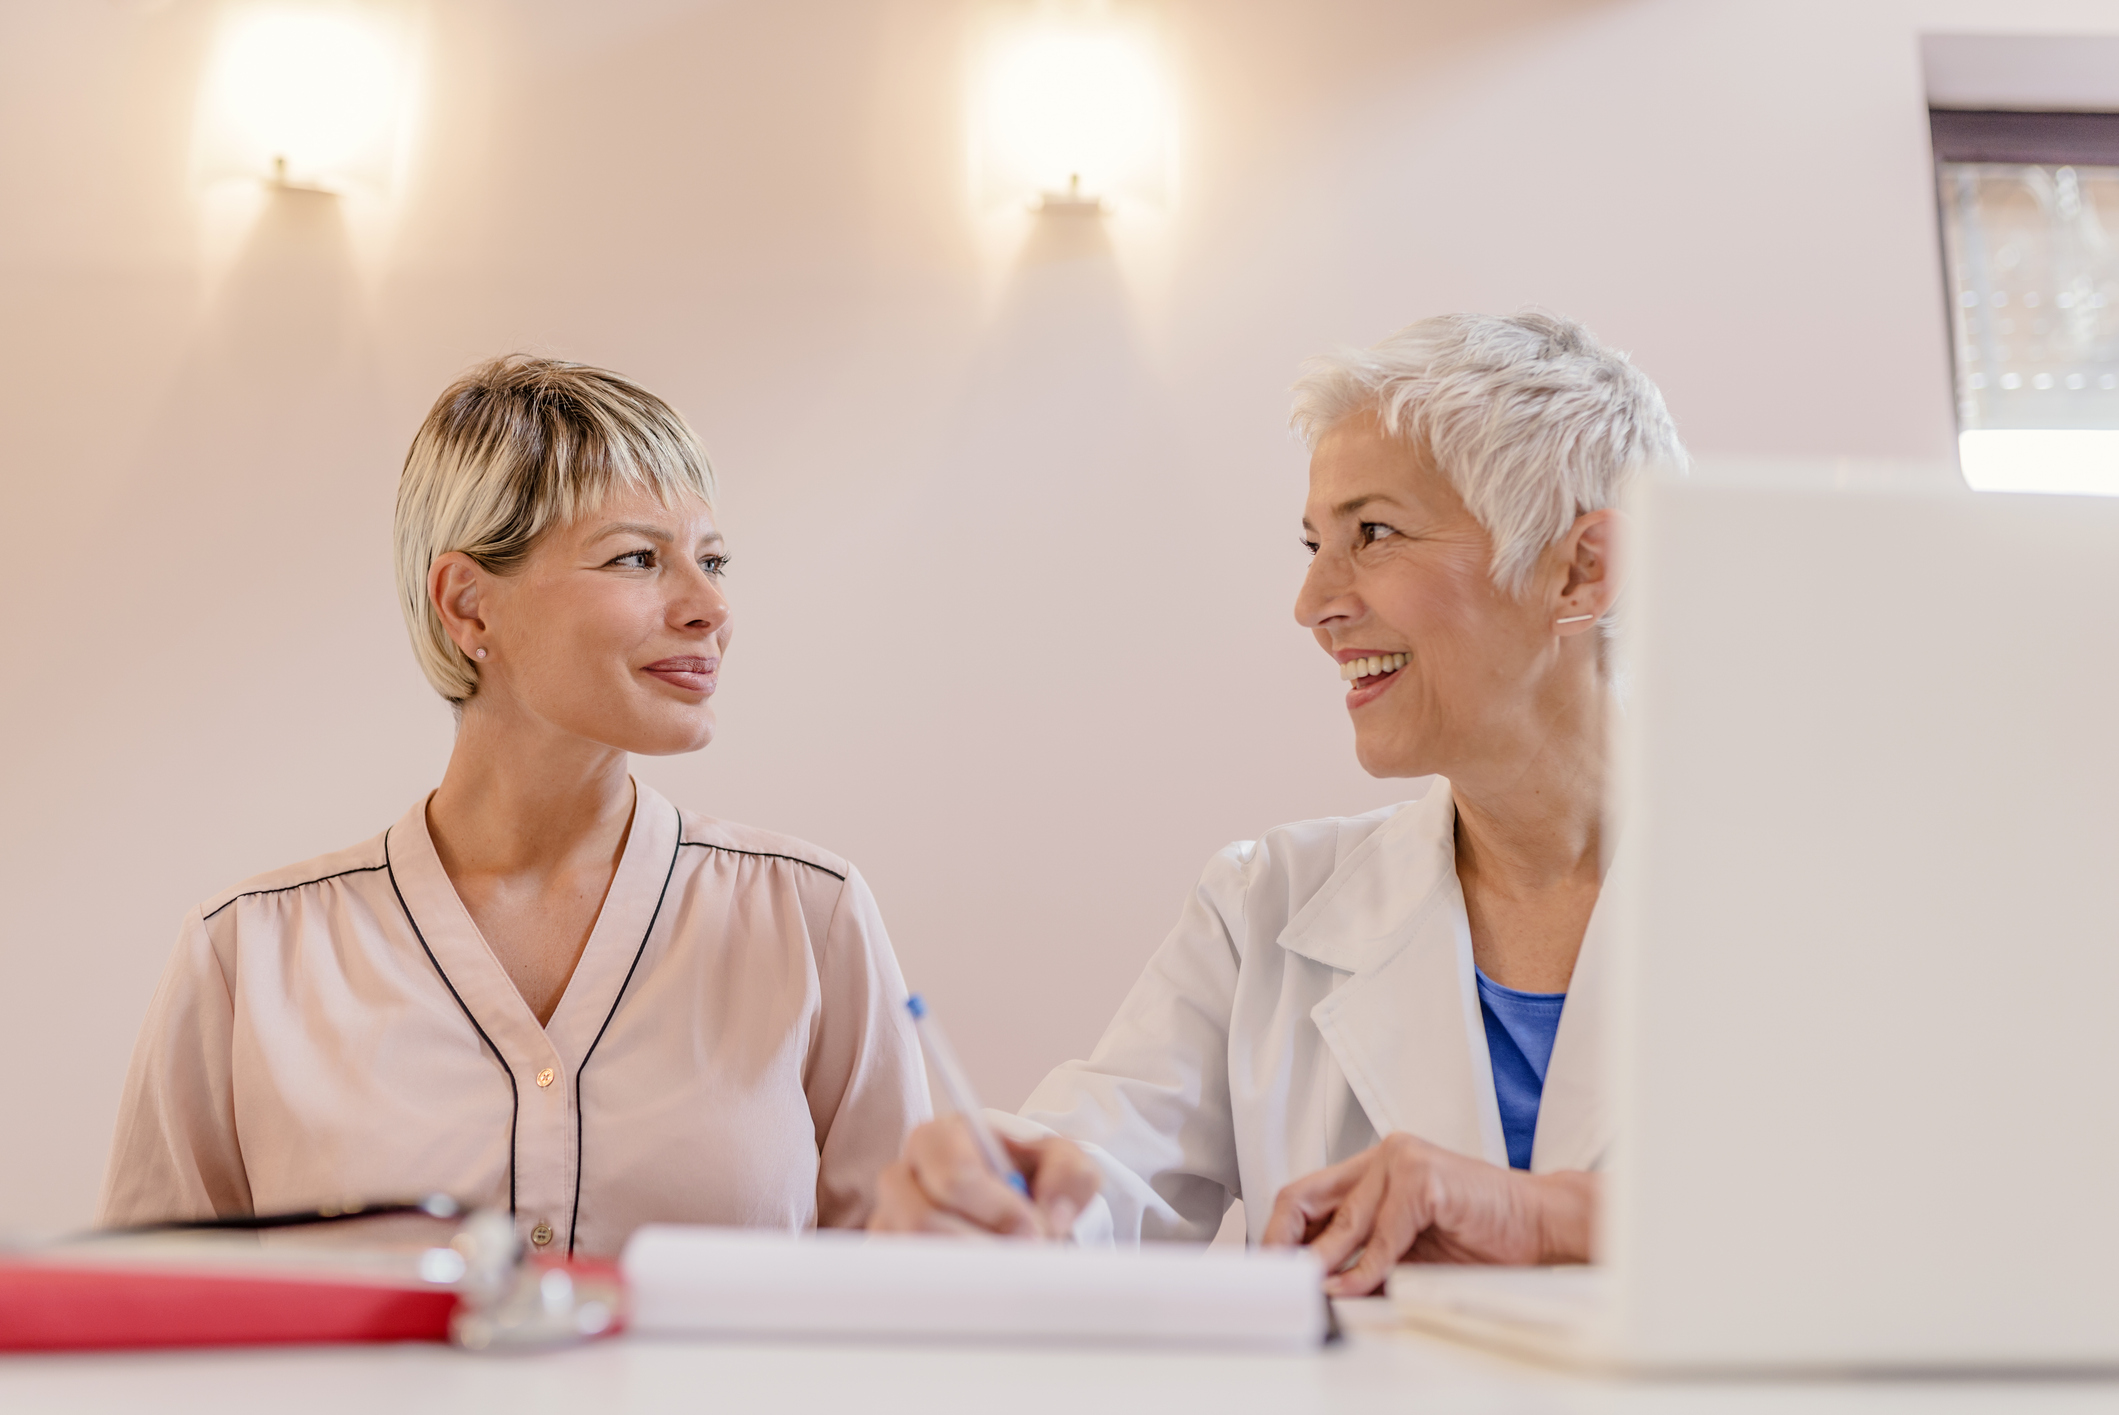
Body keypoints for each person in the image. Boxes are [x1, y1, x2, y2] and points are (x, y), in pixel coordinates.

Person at [869, 311, 1684, 1294]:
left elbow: (1900, 1213)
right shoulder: (1263, 908)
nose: (1313, 603)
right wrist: (990, 1197)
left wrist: (1543, 1216)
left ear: (1580, 570)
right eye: (1314, 542)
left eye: (1371, 533)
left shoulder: (1828, 897)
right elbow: (1096, 1176)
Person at [100, 356, 929, 1257]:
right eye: (639, 557)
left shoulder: (809, 918)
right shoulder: (246, 956)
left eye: (714, 559)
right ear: (467, 605)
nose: (709, 607)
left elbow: (906, 1303)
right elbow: (146, 1333)